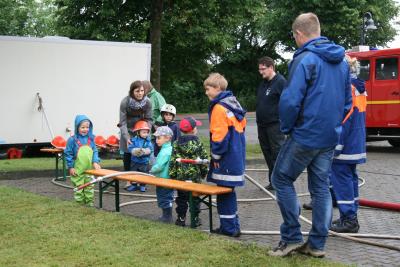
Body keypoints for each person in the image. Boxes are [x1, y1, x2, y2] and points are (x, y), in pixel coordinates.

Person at [269, 13, 352, 257]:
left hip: (305, 134)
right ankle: (317, 244)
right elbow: (348, 103)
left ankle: (292, 236)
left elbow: (290, 101)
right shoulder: (343, 62)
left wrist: (287, 128)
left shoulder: (304, 59)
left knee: (281, 179)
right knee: (321, 189)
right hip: (329, 136)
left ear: (298, 34)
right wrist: (334, 125)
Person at [204, 73, 246, 237]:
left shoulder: (219, 108)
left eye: (208, 89)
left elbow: (219, 136)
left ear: (217, 88)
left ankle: (228, 229)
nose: (206, 92)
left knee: (224, 194)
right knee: (229, 192)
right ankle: (233, 226)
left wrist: (215, 156)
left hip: (225, 159)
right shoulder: (233, 104)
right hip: (236, 157)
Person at [330, 55, 367, 233]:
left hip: (344, 145)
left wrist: (336, 145)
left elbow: (344, 119)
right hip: (355, 142)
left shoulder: (347, 88)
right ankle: (350, 216)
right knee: (351, 179)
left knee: (341, 180)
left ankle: (349, 219)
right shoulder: (359, 87)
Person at [169, 116, 208, 227]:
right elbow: (204, 160)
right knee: (195, 198)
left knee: (181, 199)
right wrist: (203, 173)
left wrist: (173, 176)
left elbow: (172, 161)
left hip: (181, 178)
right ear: (193, 129)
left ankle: (181, 219)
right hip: (195, 178)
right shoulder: (198, 144)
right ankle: (195, 219)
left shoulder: (176, 143)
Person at [256, 56, 287, 190]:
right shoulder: (263, 83)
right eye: (259, 69)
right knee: (267, 153)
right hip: (262, 125)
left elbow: (287, 103)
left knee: (277, 153)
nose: (261, 72)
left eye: (263, 69)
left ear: (271, 68)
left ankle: (280, 182)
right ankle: (273, 181)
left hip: (275, 125)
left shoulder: (280, 82)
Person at [119, 80, 152, 188]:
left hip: (142, 129)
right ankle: (128, 180)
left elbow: (149, 119)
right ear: (132, 91)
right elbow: (122, 122)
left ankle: (141, 179)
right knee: (128, 153)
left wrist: (146, 131)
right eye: (137, 91)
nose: (140, 93)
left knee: (143, 153)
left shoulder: (147, 102)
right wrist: (127, 137)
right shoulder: (125, 102)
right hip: (127, 130)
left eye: (142, 91)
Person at [65, 115, 101, 206]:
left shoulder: (91, 139)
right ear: (77, 127)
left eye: (87, 127)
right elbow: (68, 154)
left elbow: (95, 151)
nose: (85, 129)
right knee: (79, 187)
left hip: (89, 169)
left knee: (90, 186)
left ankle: (89, 204)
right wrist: (71, 167)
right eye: (83, 127)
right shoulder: (72, 140)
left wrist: (95, 162)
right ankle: (79, 204)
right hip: (78, 169)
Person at [150, 126, 174, 223]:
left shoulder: (165, 152)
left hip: (163, 179)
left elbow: (159, 166)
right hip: (167, 179)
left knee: (164, 197)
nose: (156, 140)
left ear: (167, 138)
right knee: (167, 197)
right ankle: (167, 216)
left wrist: (152, 170)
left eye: (159, 138)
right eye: (156, 138)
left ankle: (167, 217)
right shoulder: (169, 149)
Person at [126, 120, 154, 192]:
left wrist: (144, 151)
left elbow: (150, 149)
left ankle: (142, 185)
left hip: (144, 162)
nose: (145, 134)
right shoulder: (134, 140)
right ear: (138, 132)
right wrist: (134, 151)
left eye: (147, 132)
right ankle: (134, 185)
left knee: (144, 174)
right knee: (133, 173)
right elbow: (130, 147)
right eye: (143, 132)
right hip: (134, 161)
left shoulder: (148, 141)